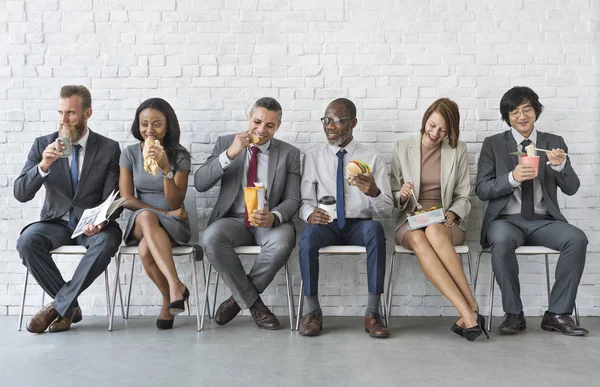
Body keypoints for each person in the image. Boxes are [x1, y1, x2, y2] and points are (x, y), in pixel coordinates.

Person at [476, 86, 588, 336]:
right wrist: (512, 178)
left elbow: (572, 188)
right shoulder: (493, 144)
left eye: (527, 109)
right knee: (502, 241)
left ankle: (557, 314)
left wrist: (561, 167)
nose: (521, 116)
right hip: (506, 221)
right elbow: (482, 190)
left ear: (536, 111)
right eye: (514, 112)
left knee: (576, 238)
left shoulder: (553, 143)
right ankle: (514, 314)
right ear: (507, 117)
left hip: (543, 222)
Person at [14, 85, 122, 333]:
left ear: (88, 113)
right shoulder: (43, 144)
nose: (64, 119)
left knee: (107, 242)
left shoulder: (108, 148)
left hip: (92, 224)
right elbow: (20, 193)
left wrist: (102, 220)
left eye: (71, 113)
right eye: (60, 112)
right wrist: (43, 165)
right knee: (26, 242)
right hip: (56, 223)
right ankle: (69, 305)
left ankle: (58, 306)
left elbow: (113, 197)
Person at [195, 97, 300, 330]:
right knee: (211, 237)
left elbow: (293, 199)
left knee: (283, 242)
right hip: (234, 221)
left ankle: (236, 301)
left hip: (269, 222)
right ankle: (255, 306)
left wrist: (274, 216)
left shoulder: (289, 153)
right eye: (257, 121)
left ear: (278, 126)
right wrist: (230, 153)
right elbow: (200, 182)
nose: (261, 130)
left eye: (270, 125)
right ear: (249, 116)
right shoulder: (226, 143)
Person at [390, 98, 486, 341]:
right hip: (410, 221)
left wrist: (452, 213)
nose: (435, 133)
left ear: (451, 131)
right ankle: (470, 309)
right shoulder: (402, 147)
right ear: (424, 120)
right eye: (432, 125)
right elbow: (392, 197)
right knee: (422, 238)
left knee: (433, 230)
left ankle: (470, 314)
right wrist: (401, 194)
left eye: (443, 130)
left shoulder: (458, 149)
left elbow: (464, 196)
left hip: (446, 222)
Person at [298, 98, 393, 338]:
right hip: (326, 224)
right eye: (326, 120)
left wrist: (373, 192)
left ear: (353, 122)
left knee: (375, 230)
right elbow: (305, 202)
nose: (330, 126)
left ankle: (373, 313)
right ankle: (312, 312)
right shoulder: (313, 157)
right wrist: (310, 214)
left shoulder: (372, 158)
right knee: (307, 236)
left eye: (338, 121)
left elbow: (387, 211)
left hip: (358, 225)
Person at [119, 98, 192, 330]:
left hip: (173, 225)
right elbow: (127, 199)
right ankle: (175, 284)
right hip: (144, 220)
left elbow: (176, 200)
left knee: (144, 250)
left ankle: (167, 300)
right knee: (146, 217)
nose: (149, 130)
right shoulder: (129, 154)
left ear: (168, 125)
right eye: (144, 124)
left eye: (157, 124)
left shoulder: (180, 156)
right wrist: (164, 212)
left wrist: (166, 168)